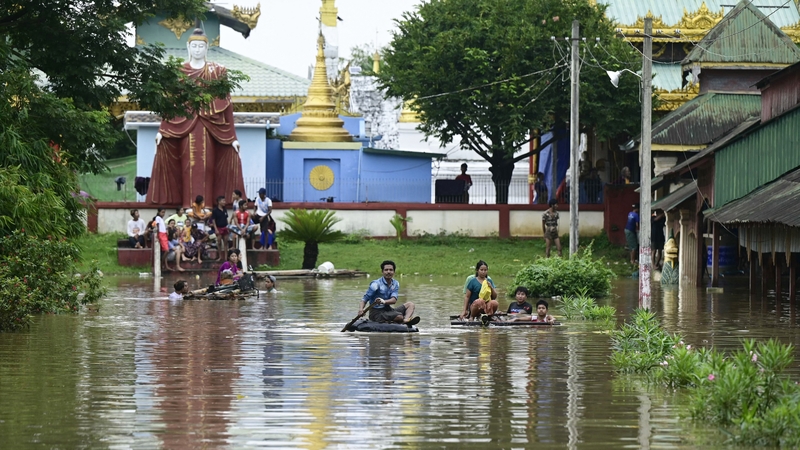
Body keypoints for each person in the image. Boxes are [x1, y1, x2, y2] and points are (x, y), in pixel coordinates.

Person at [148, 28, 246, 206]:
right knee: (187, 166)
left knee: (208, 166)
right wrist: (162, 130)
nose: (198, 49)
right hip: (185, 126)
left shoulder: (217, 72)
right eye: (194, 45)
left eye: (201, 46)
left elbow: (226, 107)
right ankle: (188, 206)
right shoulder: (179, 71)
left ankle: (207, 205)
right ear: (188, 46)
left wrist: (232, 137)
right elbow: (172, 104)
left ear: (207, 48)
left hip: (210, 127)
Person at [359, 260, 420, 325]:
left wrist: (383, 301)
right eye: (386, 270)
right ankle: (401, 320)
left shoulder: (395, 283)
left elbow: (394, 300)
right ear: (382, 271)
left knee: (410, 304)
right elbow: (364, 299)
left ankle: (405, 320)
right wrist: (361, 309)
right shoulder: (375, 284)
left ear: (394, 272)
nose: (388, 272)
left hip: (388, 309)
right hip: (376, 312)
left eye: (391, 270)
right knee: (399, 317)